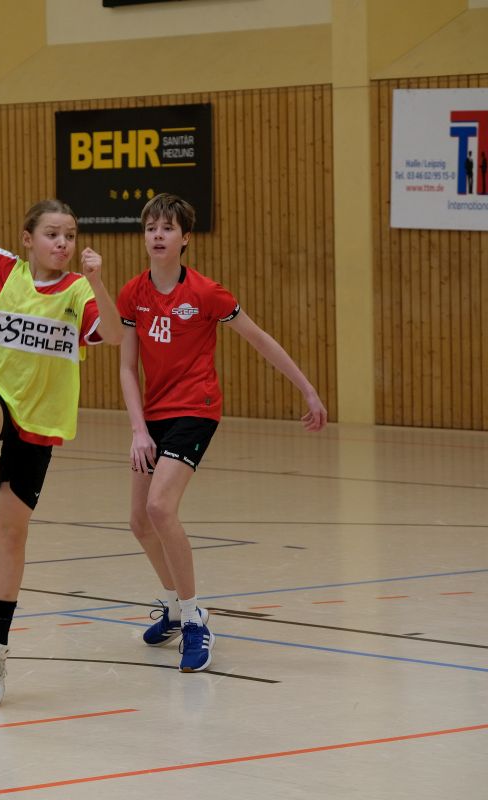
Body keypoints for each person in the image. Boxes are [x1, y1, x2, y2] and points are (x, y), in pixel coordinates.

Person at [118, 193, 327, 673]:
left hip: (197, 408)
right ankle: (174, 608)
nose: (157, 235)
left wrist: (308, 390)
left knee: (160, 507)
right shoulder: (132, 293)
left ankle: (195, 620)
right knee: (139, 522)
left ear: (185, 238)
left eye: (167, 228)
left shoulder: (207, 293)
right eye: (151, 227)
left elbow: (260, 339)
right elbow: (127, 367)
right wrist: (137, 429)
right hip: (152, 415)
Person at [0, 190, 122, 707]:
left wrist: (98, 281)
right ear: (27, 240)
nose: (63, 243)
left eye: (70, 236)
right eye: (52, 234)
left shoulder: (78, 290)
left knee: (13, 536)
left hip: (40, 418)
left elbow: (115, 335)